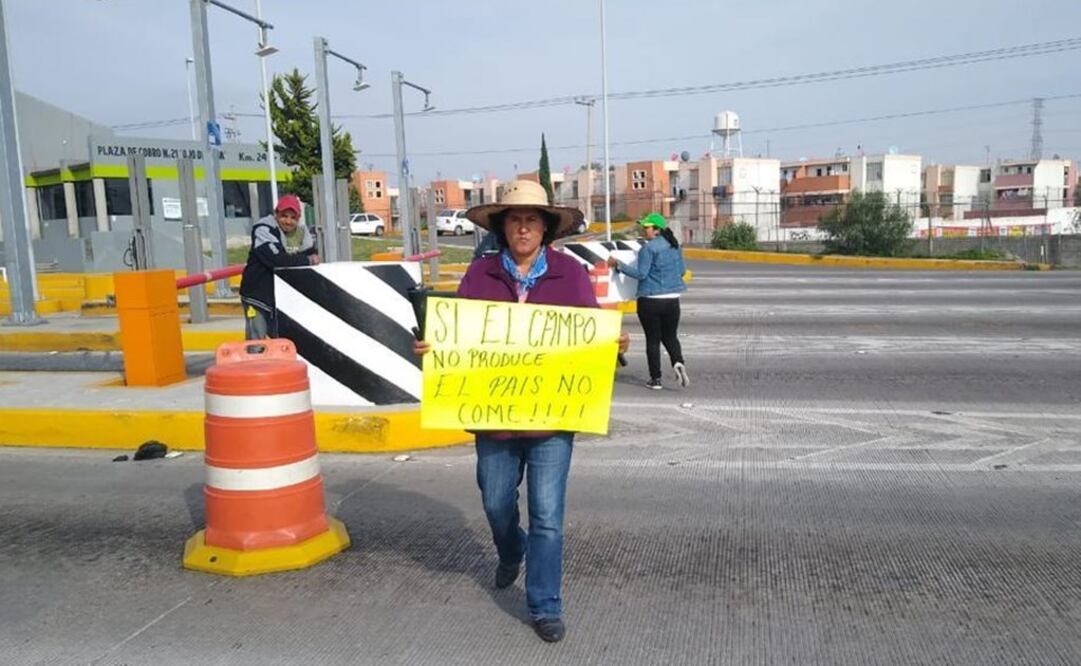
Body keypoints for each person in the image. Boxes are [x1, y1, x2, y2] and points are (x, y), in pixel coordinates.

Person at [414, 180, 629, 644]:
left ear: (546, 227)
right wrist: (434, 346)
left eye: (532, 218)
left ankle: (545, 604)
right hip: (494, 419)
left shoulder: (570, 275)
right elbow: (459, 339)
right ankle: (511, 550)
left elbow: (588, 338)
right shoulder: (480, 275)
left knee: (548, 515)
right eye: (515, 218)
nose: (524, 227)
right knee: (495, 503)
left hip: (552, 419)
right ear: (503, 227)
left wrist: (611, 344)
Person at [607, 212, 689, 390]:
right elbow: (682, 271)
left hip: (650, 301)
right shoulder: (675, 246)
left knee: (653, 340)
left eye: (647, 227)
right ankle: (677, 361)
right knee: (670, 336)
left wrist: (618, 265)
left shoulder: (648, 248)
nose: (644, 231)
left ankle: (656, 379)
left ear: (657, 230)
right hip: (672, 300)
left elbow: (641, 274)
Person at [239, 194, 320, 340]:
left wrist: (309, 258)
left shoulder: (301, 232)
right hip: (258, 296)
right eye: (284, 216)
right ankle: (256, 362)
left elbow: (312, 254)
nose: (288, 221)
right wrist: (308, 260)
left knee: (283, 341)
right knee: (257, 342)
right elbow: (277, 259)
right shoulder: (264, 229)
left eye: (293, 217)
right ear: (276, 214)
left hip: (281, 298)